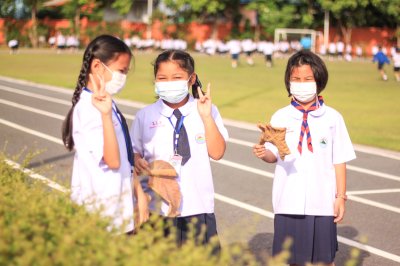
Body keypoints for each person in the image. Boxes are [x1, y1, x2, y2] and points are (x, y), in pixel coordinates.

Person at [253, 50, 356, 266]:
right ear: (288, 82)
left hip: (322, 202)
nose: (302, 84)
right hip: (288, 201)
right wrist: (265, 154)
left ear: (319, 80)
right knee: (290, 260)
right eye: (296, 79)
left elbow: (340, 159)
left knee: (324, 261)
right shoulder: (281, 116)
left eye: (308, 79)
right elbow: (275, 154)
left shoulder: (332, 118)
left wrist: (341, 197)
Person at [130, 49, 229, 247]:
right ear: (155, 81)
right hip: (158, 207)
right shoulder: (145, 115)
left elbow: (217, 152)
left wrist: (206, 116)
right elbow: (134, 154)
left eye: (176, 77)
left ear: (191, 79)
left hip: (198, 206)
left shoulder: (207, 110)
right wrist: (137, 160)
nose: (169, 83)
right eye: (162, 78)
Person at [62, 34, 148, 234]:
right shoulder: (91, 110)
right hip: (101, 216)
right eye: (121, 71)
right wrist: (106, 115)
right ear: (98, 66)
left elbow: (125, 159)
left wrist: (139, 193)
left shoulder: (105, 103)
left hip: (119, 210)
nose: (123, 77)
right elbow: (113, 161)